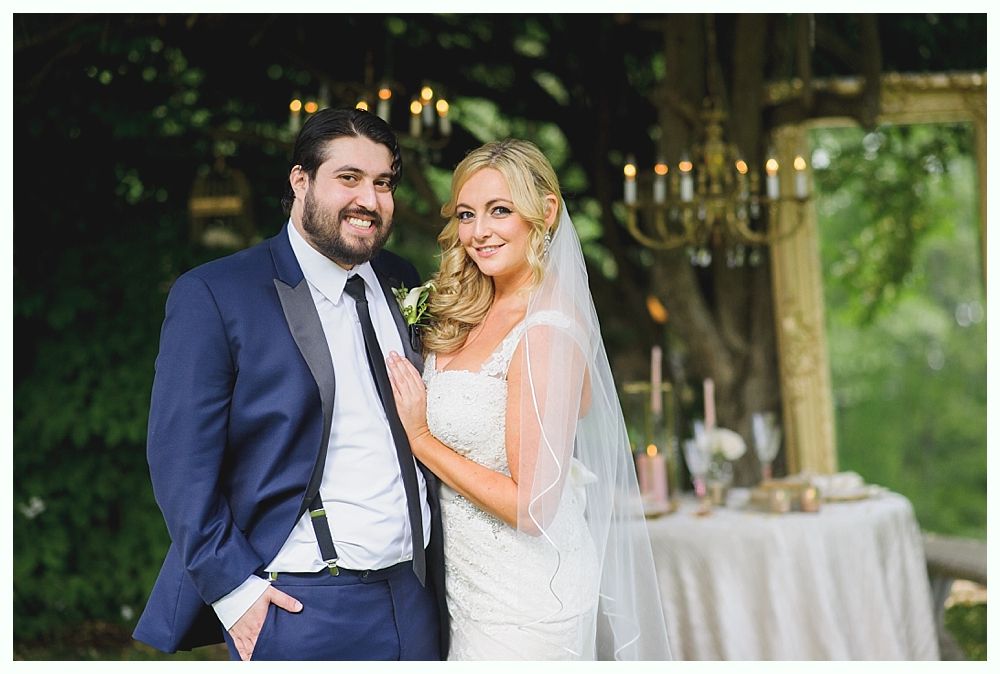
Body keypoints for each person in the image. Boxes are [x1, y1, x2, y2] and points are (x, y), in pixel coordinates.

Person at [133, 108, 448, 660]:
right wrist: (236, 593)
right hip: (297, 605)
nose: (370, 201)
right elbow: (180, 464)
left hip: (414, 596)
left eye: (383, 183)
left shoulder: (401, 279)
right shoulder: (217, 293)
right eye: (348, 178)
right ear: (300, 181)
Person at [386, 138, 672, 660]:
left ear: (545, 212)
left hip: (526, 604)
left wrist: (421, 439)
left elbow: (532, 507)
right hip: (470, 591)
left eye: (500, 211)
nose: (479, 233)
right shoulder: (471, 309)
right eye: (467, 214)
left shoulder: (548, 327)